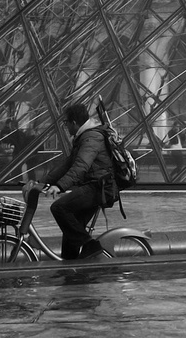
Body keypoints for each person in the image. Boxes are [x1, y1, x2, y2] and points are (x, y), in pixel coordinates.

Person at [42, 102, 117, 260]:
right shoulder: (84, 137)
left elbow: (80, 167)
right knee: (71, 230)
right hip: (94, 186)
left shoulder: (91, 138)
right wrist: (44, 182)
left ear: (74, 123)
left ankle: (90, 245)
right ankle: (71, 271)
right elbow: (67, 165)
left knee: (59, 208)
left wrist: (60, 186)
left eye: (66, 123)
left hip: (98, 188)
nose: (65, 127)